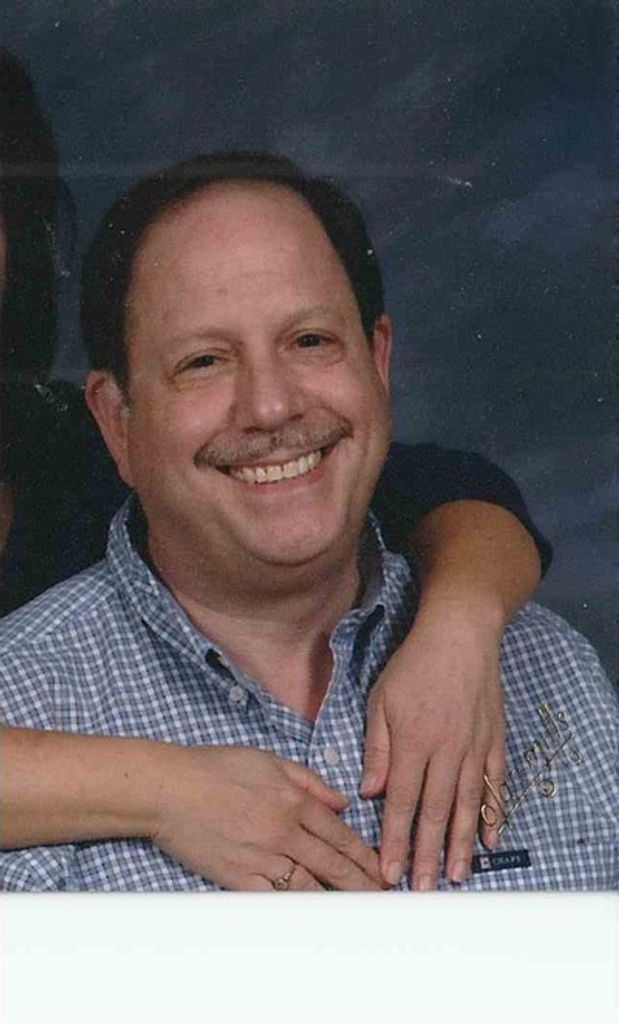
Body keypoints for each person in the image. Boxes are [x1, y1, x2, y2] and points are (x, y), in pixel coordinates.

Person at [0, 49, 549, 888]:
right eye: (205, 360)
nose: (266, 404)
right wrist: (164, 790)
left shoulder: (64, 441)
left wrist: (459, 627)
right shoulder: (35, 668)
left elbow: (415, 485)